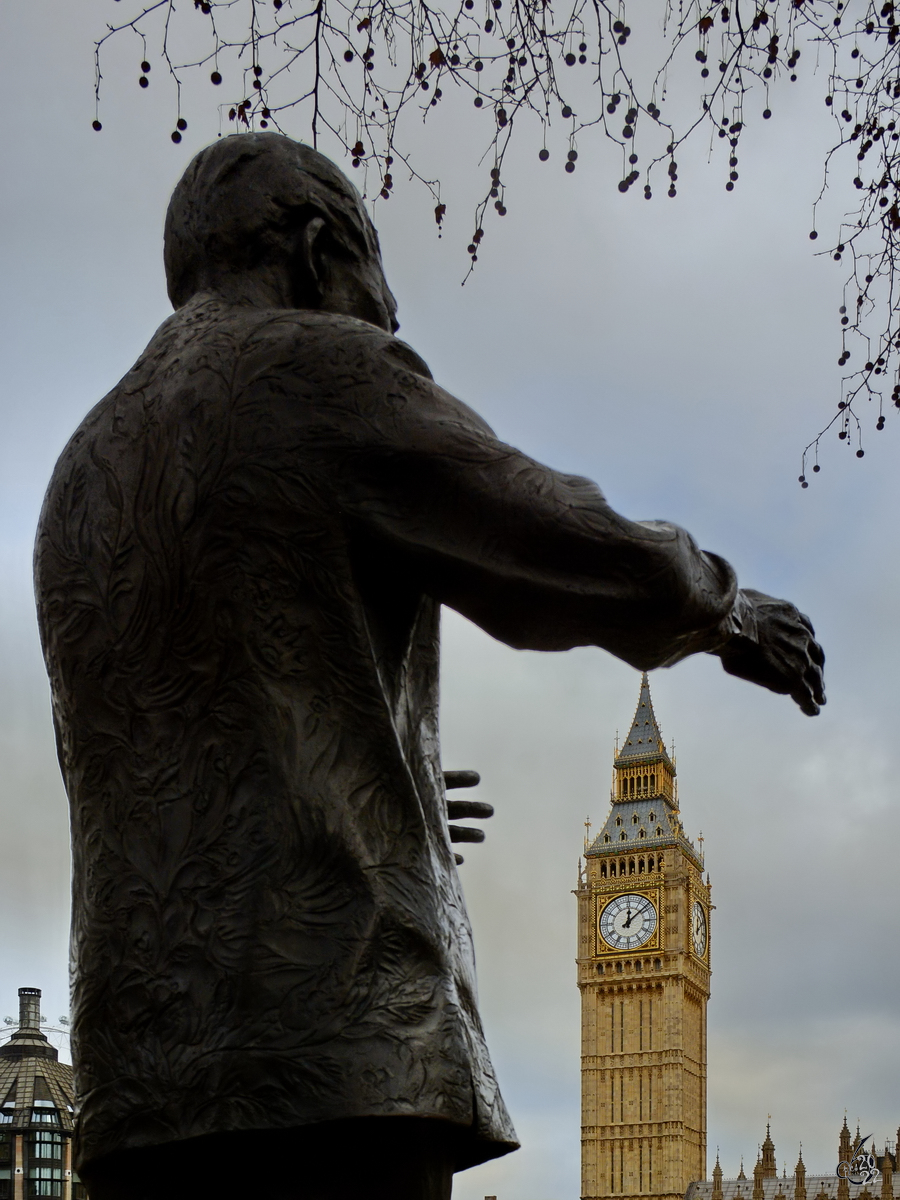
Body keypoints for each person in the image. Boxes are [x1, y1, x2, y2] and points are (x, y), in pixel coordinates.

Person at [34, 133, 825, 1200]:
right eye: (377, 275)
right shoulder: (315, 366)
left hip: (142, 1088)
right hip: (343, 1063)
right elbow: (552, 539)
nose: (393, 316)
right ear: (317, 251)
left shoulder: (75, 476)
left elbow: (160, 746)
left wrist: (376, 787)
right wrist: (727, 607)